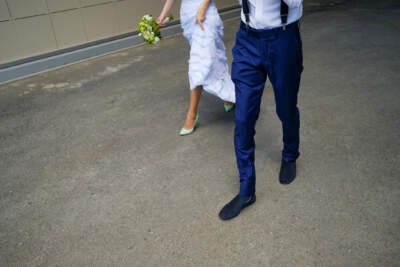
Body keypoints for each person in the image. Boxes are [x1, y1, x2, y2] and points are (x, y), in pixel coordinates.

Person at [219, 0, 304, 220]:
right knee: (243, 119)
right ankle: (246, 191)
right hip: (248, 39)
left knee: (285, 109)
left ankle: (290, 154)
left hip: (283, 39)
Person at [157, 0, 236, 136]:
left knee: (199, 63)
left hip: (204, 14)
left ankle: (191, 115)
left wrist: (203, 7)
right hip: (189, 14)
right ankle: (227, 95)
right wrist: (164, 13)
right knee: (212, 58)